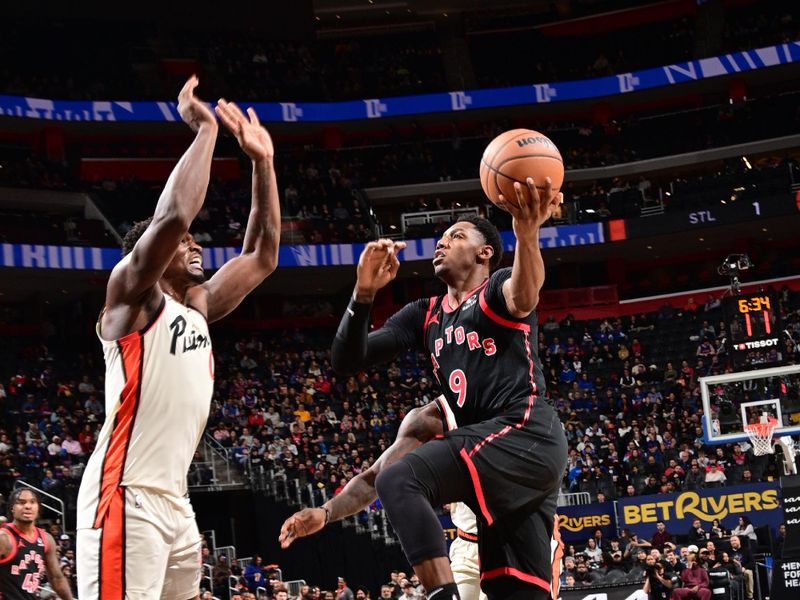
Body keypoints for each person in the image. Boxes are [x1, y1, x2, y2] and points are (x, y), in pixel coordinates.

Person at [75, 78, 281, 600]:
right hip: (124, 494)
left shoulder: (198, 305)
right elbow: (174, 216)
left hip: (176, 501)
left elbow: (262, 255)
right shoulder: (132, 300)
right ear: (153, 253)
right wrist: (207, 130)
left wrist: (263, 164)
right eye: (185, 245)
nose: (196, 248)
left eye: (195, 243)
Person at [330, 177, 565, 600]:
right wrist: (363, 294)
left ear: (484, 253)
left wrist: (527, 234)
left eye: (455, 236)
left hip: (524, 431)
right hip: (497, 467)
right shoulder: (424, 314)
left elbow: (525, 294)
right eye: (440, 238)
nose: (441, 243)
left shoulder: (497, 288)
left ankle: (442, 595)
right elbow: (347, 360)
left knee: (399, 479)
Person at [279, 399, 490, 600]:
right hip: (468, 547)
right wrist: (326, 512)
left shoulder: (518, 402)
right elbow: (376, 477)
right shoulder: (433, 417)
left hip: (516, 542)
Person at [0, 488, 74, 599]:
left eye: (32, 502)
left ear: (38, 508)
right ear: (12, 508)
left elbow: (56, 578)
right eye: (21, 502)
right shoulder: (3, 538)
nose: (28, 506)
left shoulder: (46, 539)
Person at [728, 536, 754, 600]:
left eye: (735, 540)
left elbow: (752, 562)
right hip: (733, 571)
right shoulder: (728, 552)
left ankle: (750, 596)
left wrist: (744, 568)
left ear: (739, 541)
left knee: (748, 573)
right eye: (732, 541)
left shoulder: (746, 550)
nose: (733, 542)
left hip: (744, 569)